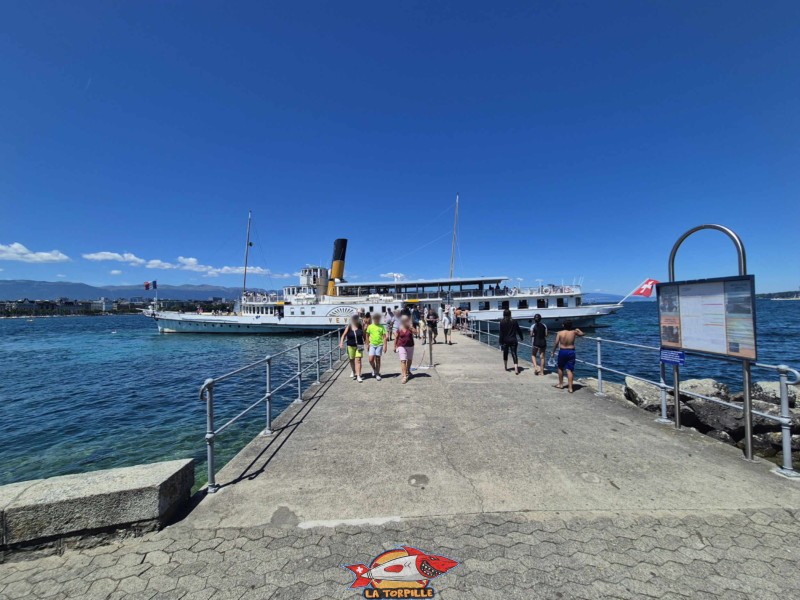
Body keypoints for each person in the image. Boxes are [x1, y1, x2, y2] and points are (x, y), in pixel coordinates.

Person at [551, 320, 585, 392]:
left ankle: (560, 384)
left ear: (563, 325)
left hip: (562, 351)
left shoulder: (560, 333)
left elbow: (556, 343)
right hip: (571, 351)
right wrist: (578, 329)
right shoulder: (574, 332)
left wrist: (553, 352)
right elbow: (582, 334)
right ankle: (570, 388)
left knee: (560, 368)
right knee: (570, 370)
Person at [339, 315, 365, 382]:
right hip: (350, 345)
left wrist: (367, 343)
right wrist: (341, 343)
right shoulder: (349, 326)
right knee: (351, 359)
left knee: (358, 360)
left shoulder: (360, 326)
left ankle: (358, 375)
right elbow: (343, 335)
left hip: (360, 345)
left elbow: (364, 335)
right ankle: (353, 371)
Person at [498, 308, 524, 374]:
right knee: (514, 353)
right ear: (510, 314)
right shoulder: (514, 321)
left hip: (505, 340)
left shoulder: (502, 322)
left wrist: (500, 341)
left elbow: (501, 333)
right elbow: (519, 330)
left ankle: (506, 367)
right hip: (513, 340)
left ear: (503, 314)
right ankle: (516, 369)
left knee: (505, 353)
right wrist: (521, 337)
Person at [365, 312, 388, 380]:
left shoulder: (381, 327)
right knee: (370, 359)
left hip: (379, 344)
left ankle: (377, 373)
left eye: (378, 319)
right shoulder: (370, 326)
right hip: (372, 344)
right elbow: (367, 335)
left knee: (378, 359)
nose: (376, 320)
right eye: (375, 318)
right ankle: (374, 369)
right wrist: (367, 344)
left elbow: (384, 337)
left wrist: (385, 346)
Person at [394, 315, 415, 384]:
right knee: (403, 360)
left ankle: (408, 370)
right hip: (401, 345)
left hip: (410, 345)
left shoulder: (410, 328)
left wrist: (412, 328)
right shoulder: (400, 328)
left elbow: (416, 332)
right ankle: (404, 376)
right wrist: (395, 346)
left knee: (409, 360)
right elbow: (396, 338)